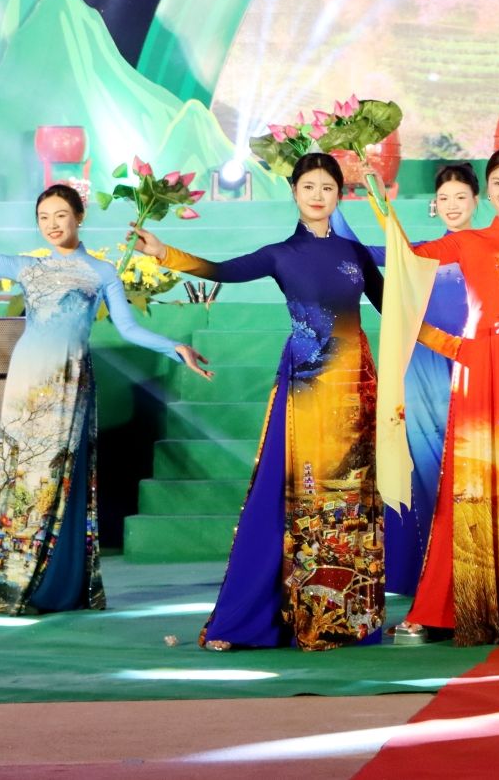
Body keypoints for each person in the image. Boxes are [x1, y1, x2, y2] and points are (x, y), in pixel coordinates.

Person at [0, 187, 210, 616]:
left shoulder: (102, 272)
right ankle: (12, 585)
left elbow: (129, 329)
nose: (52, 224)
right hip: (27, 381)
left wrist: (175, 348)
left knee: (58, 479)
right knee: (21, 478)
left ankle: (55, 584)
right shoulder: (29, 267)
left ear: (79, 217)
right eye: (43, 217)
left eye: (60, 215)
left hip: (69, 382)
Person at [134, 153, 388, 651]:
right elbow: (223, 270)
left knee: (352, 500)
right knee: (294, 495)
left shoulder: (355, 254)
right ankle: (266, 618)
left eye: (328, 188)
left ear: (340, 195)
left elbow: (389, 305)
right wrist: (165, 253)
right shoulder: (280, 254)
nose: (318, 195)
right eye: (309, 186)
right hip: (306, 390)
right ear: (294, 192)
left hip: (356, 387)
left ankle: (345, 618)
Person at [399, 146, 499, 646]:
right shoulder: (466, 241)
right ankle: (451, 606)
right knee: (467, 489)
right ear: (486, 191)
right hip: (476, 370)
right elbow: (405, 260)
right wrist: (376, 197)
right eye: (498, 183)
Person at [331, 164, 478, 608]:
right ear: (435, 205)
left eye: (461, 197)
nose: (452, 205)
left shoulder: (488, 249)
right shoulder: (421, 253)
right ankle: (430, 573)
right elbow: (362, 252)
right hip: (422, 367)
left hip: (470, 364)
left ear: (476, 202)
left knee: (468, 464)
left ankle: (472, 566)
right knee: (427, 465)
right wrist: (337, 200)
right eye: (445, 198)